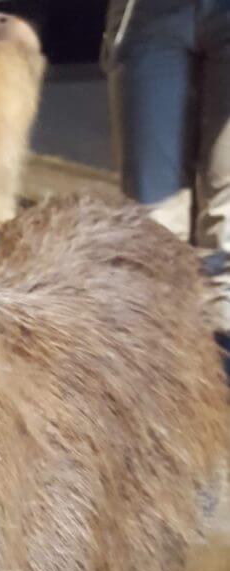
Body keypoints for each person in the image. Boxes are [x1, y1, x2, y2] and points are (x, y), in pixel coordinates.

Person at [102, 0, 230, 377]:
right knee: (151, 233)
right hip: (147, 11)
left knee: (227, 228)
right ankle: (163, 392)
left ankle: (219, 400)